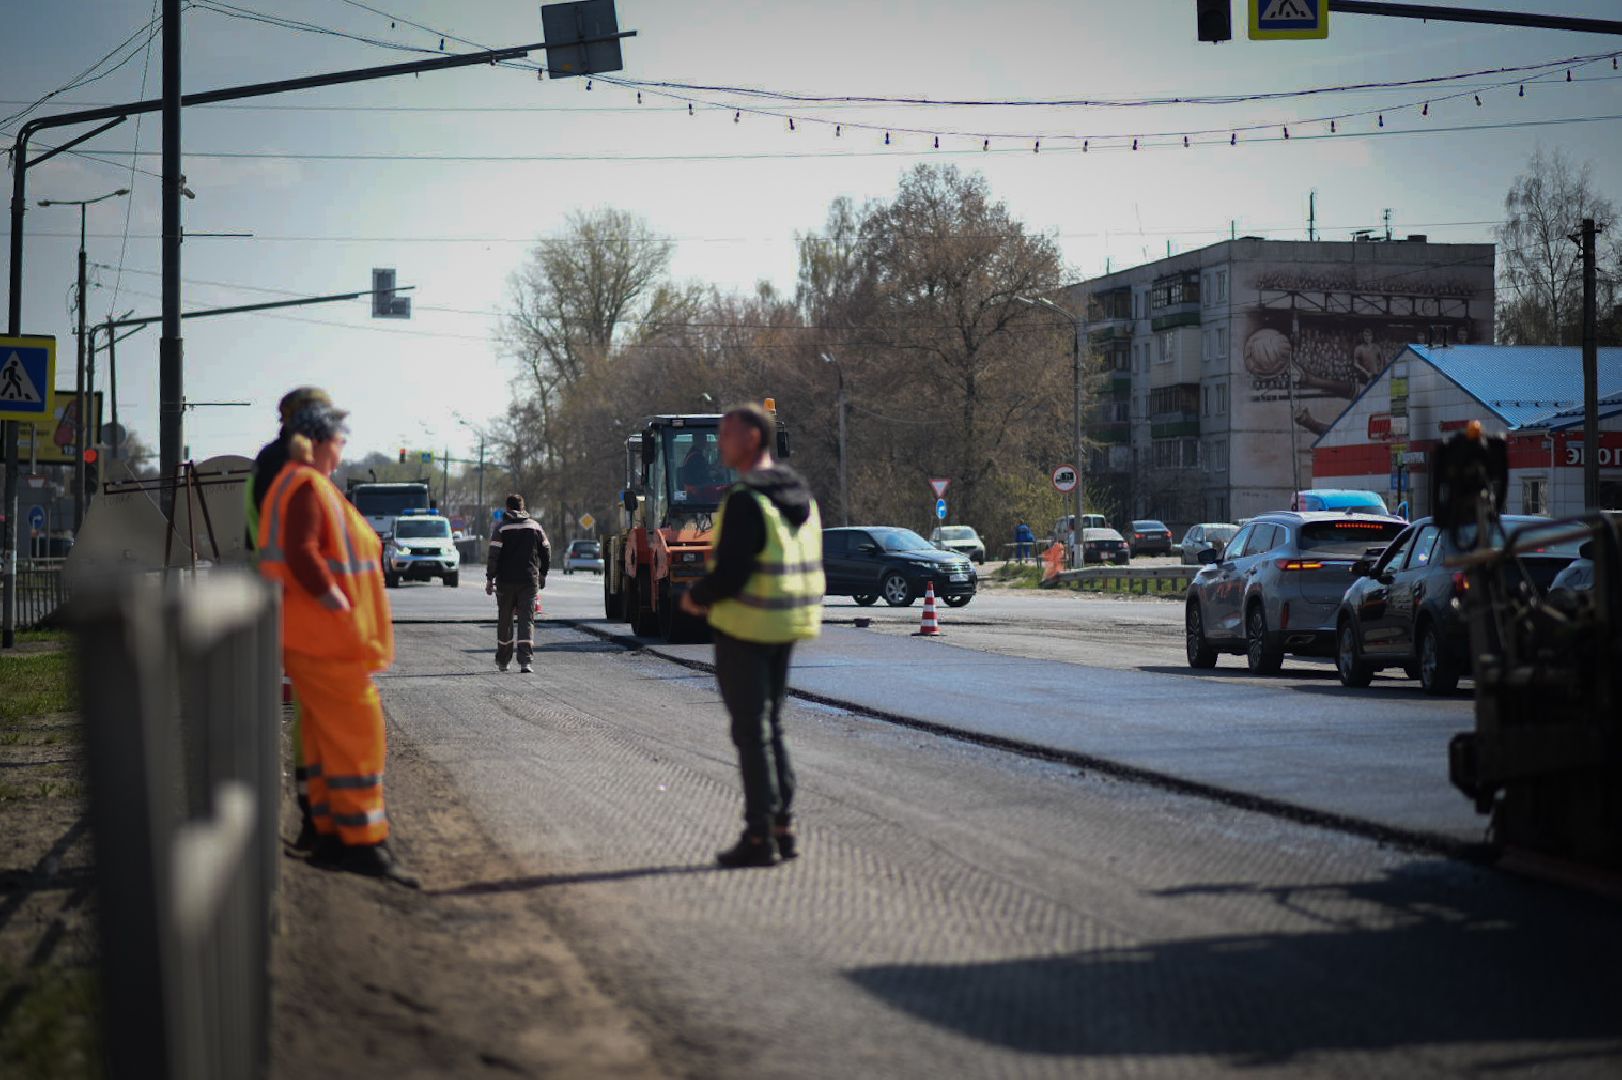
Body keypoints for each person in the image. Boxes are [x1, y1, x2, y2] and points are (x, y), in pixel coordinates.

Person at [257, 404, 417, 887]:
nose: (342, 450)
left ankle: (330, 835)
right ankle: (363, 844)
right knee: (358, 736)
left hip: (317, 638)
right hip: (327, 639)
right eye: (340, 441)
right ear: (320, 441)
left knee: (330, 739)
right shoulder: (306, 485)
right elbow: (304, 553)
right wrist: (338, 602)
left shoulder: (298, 482)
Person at [680, 403, 824, 869]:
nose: (719, 444)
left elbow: (734, 571)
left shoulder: (746, 498)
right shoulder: (799, 495)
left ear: (753, 440)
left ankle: (759, 835)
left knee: (751, 731)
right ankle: (784, 827)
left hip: (746, 624)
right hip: (788, 623)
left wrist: (696, 596)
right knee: (771, 726)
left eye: (727, 435)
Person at [244, 386, 332, 852]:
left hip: (277, 592)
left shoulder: (270, 459)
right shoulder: (293, 463)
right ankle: (313, 821)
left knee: (298, 712)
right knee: (313, 714)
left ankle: (304, 817)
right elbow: (302, 539)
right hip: (296, 599)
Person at [485, 494, 550, 673]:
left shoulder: (501, 528)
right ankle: (525, 662)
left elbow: (493, 556)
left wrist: (490, 579)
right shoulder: (535, 526)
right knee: (526, 620)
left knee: (505, 621)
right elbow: (546, 550)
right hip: (529, 581)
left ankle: (504, 661)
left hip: (505, 582)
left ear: (507, 508)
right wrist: (543, 573)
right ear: (523, 508)